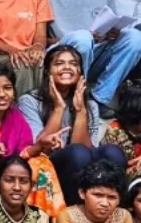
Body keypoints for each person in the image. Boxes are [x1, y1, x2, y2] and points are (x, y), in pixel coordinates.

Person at [19, 46, 125, 203]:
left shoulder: (90, 106)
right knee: (77, 153)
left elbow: (89, 151)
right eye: (59, 63)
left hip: (80, 161)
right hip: (47, 164)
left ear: (80, 72)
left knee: (113, 152)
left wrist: (81, 111)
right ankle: (75, 211)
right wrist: (58, 108)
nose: (67, 67)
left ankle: (108, 206)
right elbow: (40, 146)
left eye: (73, 63)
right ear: (48, 71)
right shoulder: (29, 101)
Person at [0, 64, 65, 217]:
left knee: (41, 163)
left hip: (12, 169)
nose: (2, 94)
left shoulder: (16, 116)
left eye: (7, 88)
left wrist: (41, 145)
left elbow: (23, 153)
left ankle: (46, 221)